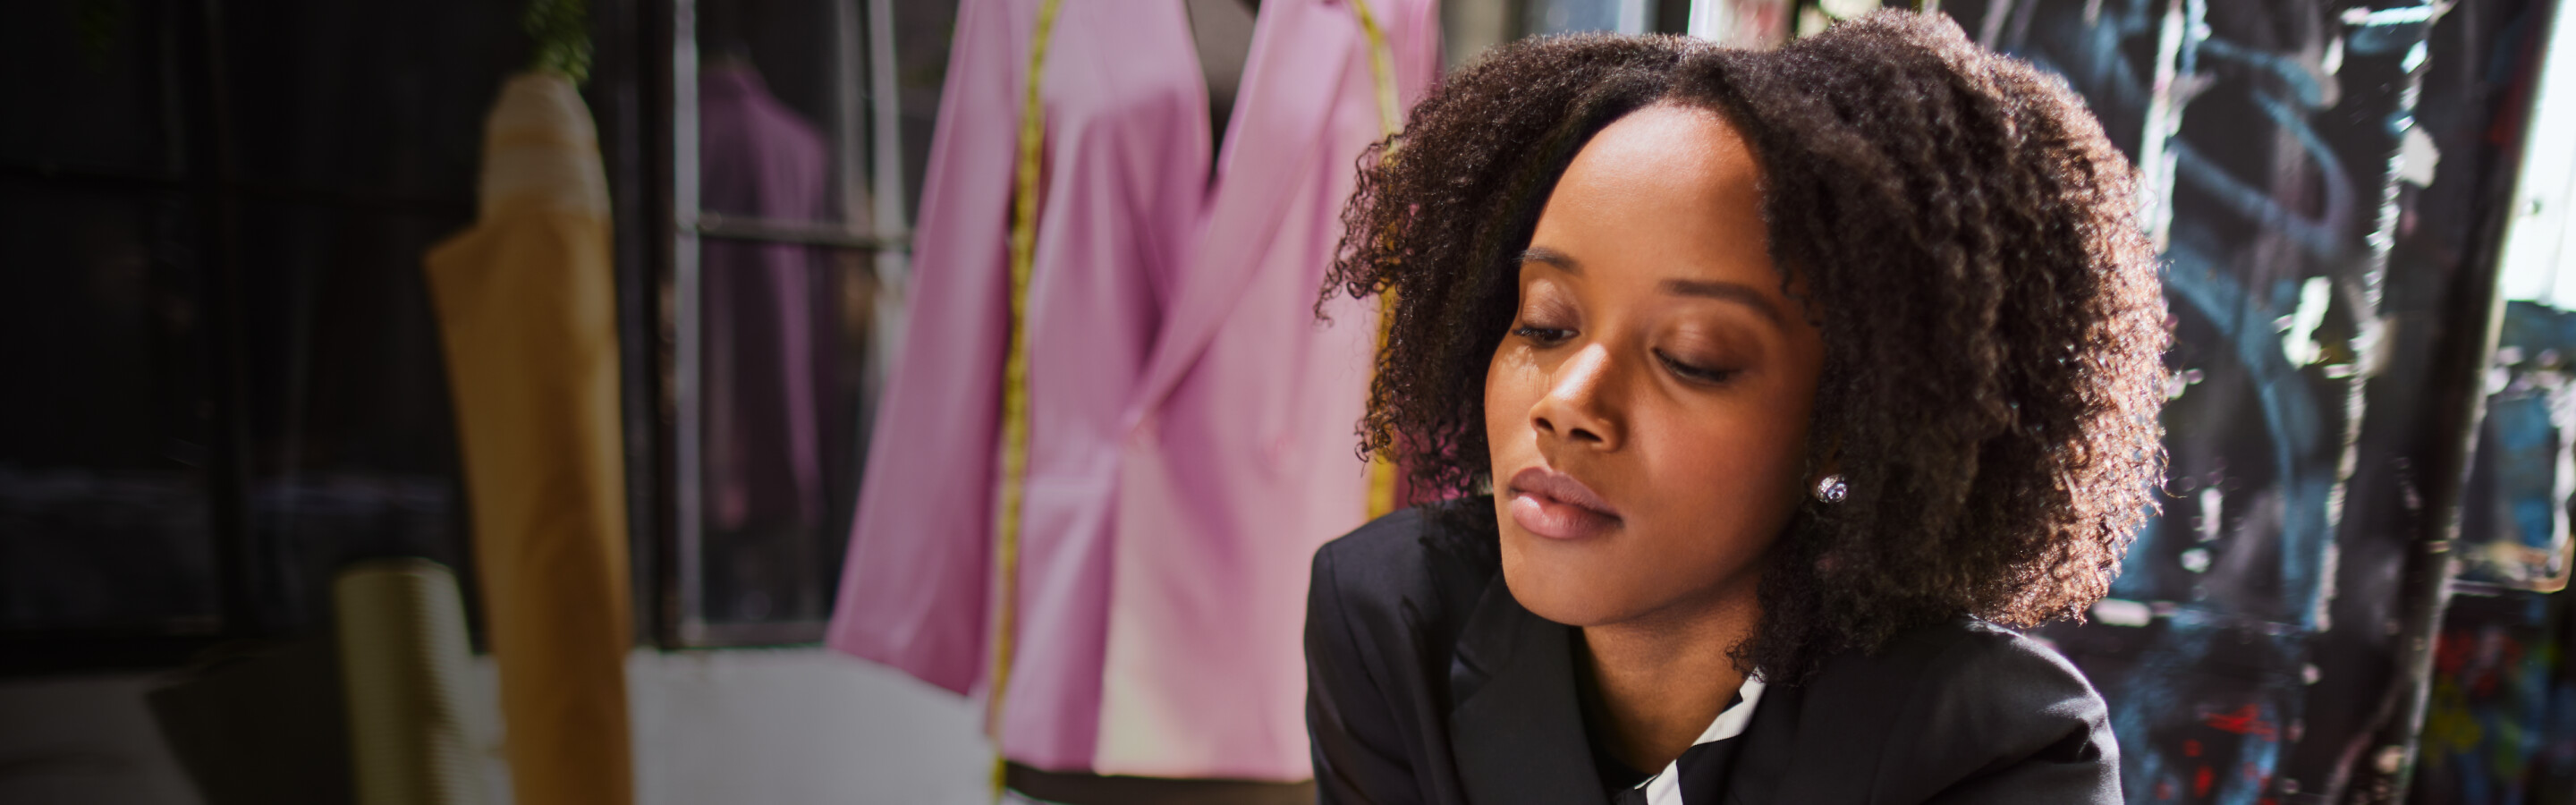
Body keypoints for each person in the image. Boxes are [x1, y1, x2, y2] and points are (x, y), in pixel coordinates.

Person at [1303, 11, 2168, 805]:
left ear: (1847, 423)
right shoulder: (1389, 619)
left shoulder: (1999, 748)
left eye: (1692, 358)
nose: (1568, 404)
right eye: (1546, 323)